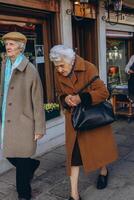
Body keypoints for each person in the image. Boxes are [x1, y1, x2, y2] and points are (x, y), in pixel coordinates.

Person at [49, 45, 118, 200]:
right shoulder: (58, 72)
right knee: (73, 157)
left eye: (61, 66)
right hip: (74, 122)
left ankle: (103, 171)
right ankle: (74, 195)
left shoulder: (88, 67)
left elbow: (103, 92)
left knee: (98, 150)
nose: (59, 70)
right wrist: (65, 99)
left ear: (70, 60)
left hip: (92, 118)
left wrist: (81, 98)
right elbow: (59, 93)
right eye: (56, 66)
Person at [0, 32, 45, 200]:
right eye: (6, 44)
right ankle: (33, 165)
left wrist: (39, 127)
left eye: (12, 44)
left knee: (22, 160)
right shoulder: (5, 65)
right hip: (7, 118)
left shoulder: (30, 69)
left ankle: (24, 194)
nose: (8, 47)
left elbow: (38, 100)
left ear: (21, 47)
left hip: (24, 121)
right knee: (10, 154)